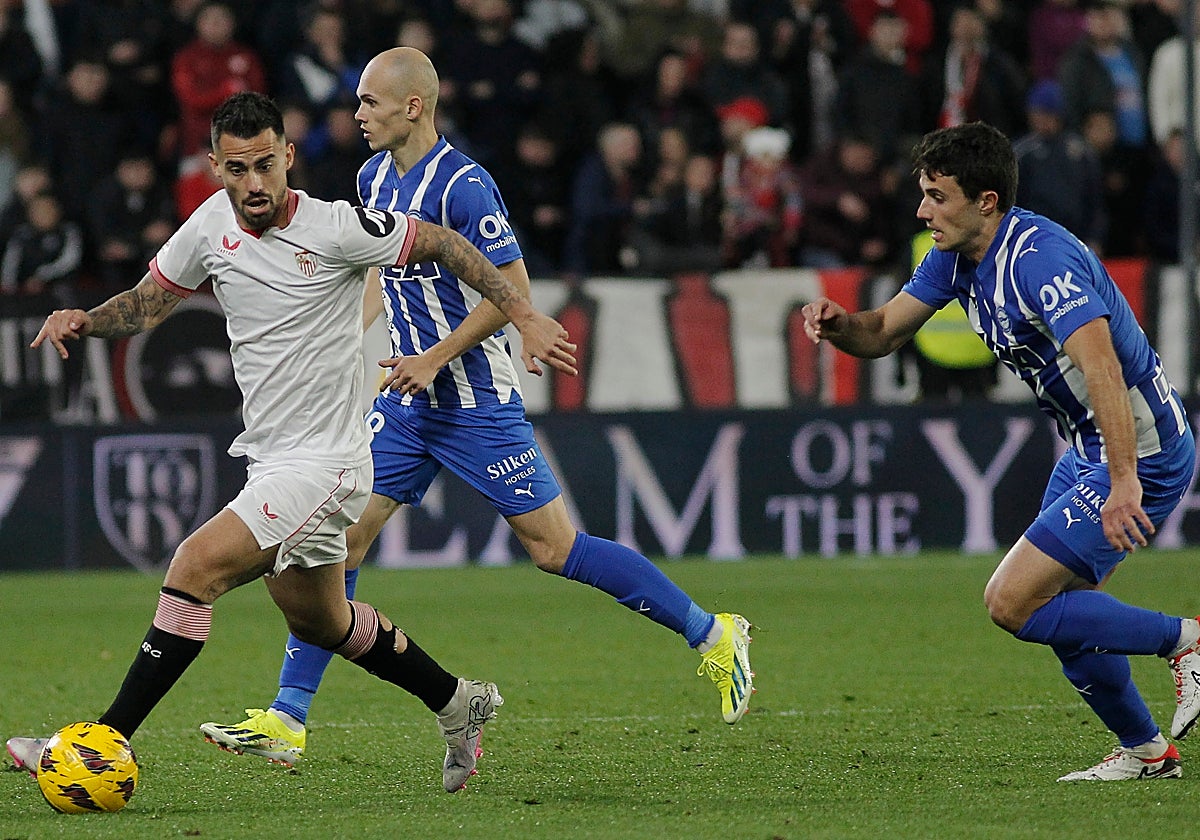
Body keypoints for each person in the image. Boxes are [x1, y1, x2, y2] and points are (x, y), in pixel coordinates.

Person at [5, 90, 578, 794]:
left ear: (288, 157)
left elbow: (444, 243)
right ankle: (459, 701)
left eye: (266, 166)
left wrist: (522, 313)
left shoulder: (337, 227)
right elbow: (149, 302)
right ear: (216, 166)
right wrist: (86, 321)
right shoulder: (209, 225)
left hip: (329, 465)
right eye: (238, 169)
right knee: (325, 621)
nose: (253, 185)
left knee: (194, 568)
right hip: (274, 461)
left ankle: (98, 742)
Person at [196, 47, 754, 770]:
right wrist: (344, 341)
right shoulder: (371, 176)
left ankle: (713, 634)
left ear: (413, 106)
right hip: (406, 399)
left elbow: (510, 284)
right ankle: (288, 717)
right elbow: (377, 275)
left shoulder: (464, 184)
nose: (357, 114)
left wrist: (440, 354)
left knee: (554, 550)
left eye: (369, 102)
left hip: (472, 399)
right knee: (341, 542)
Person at [801, 121, 1200, 781]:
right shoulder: (956, 257)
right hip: (1087, 448)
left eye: (937, 195)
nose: (923, 210)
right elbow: (883, 334)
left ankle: (1185, 641)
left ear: (985, 201)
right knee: (1062, 612)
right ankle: (1147, 752)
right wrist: (838, 323)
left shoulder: (1038, 261)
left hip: (1141, 448)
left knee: (1012, 601)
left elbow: (1102, 368)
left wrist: (1125, 478)